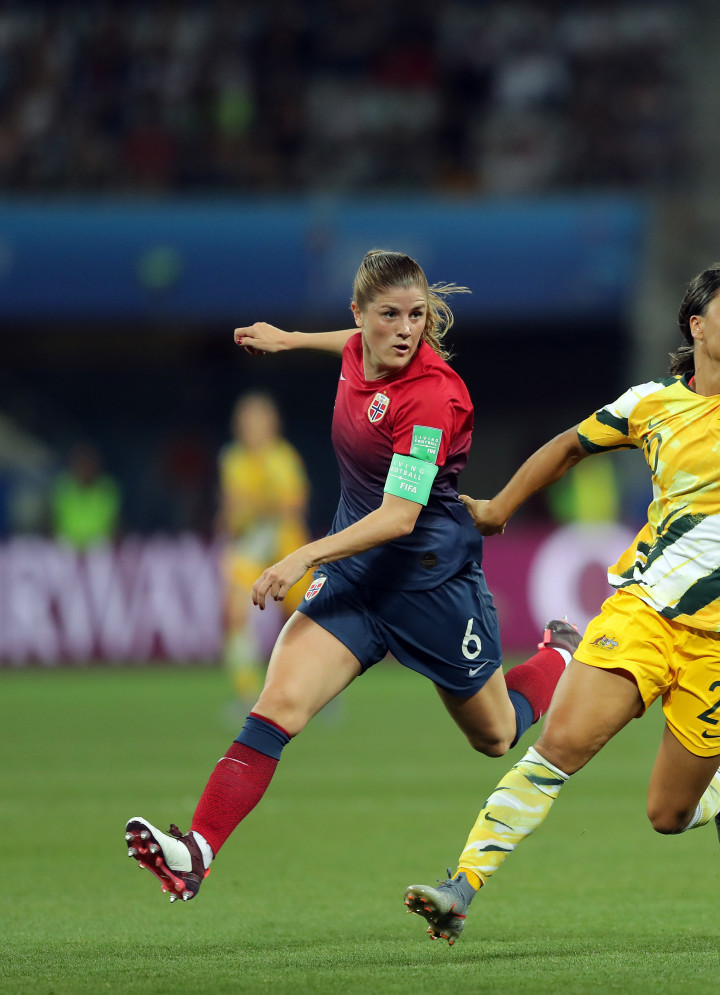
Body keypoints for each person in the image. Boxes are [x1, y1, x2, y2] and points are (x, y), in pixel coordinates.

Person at [401, 262, 720, 945]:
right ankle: (461, 885)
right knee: (559, 746)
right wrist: (497, 507)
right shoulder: (650, 404)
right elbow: (568, 445)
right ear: (697, 325)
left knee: (668, 814)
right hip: (645, 610)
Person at [124, 249, 575, 902]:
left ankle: (560, 654)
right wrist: (290, 339)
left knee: (497, 735)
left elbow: (397, 517)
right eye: (389, 314)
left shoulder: (433, 398)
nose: (404, 330)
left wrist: (304, 554)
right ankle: (196, 849)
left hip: (431, 586)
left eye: (417, 316)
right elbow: (350, 344)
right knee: (276, 705)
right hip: (357, 580)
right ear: (359, 315)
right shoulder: (361, 348)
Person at [218, 393, 311, 704]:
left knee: (303, 617)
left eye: (257, 422)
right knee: (234, 614)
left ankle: (313, 685)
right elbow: (232, 513)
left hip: (286, 542)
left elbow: (292, 508)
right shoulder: (232, 459)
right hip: (252, 540)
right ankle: (246, 694)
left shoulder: (283, 458)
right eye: (245, 423)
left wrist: (251, 505)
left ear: (272, 425)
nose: (250, 429)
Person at [50, 442, 120, 550]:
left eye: (88, 464)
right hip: (67, 545)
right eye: (81, 464)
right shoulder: (63, 487)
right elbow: (53, 520)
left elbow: (113, 524)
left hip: (98, 546)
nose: (85, 468)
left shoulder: (107, 488)